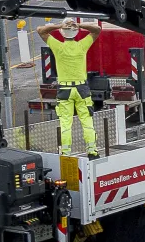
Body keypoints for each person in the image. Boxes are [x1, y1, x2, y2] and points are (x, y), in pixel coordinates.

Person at [38, 17, 102, 156]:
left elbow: (41, 31)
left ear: (62, 33)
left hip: (65, 90)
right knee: (87, 120)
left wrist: (60, 25)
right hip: (82, 89)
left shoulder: (58, 47)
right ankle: (92, 150)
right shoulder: (81, 45)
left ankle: (66, 152)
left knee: (65, 123)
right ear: (76, 32)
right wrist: (78, 24)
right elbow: (97, 30)